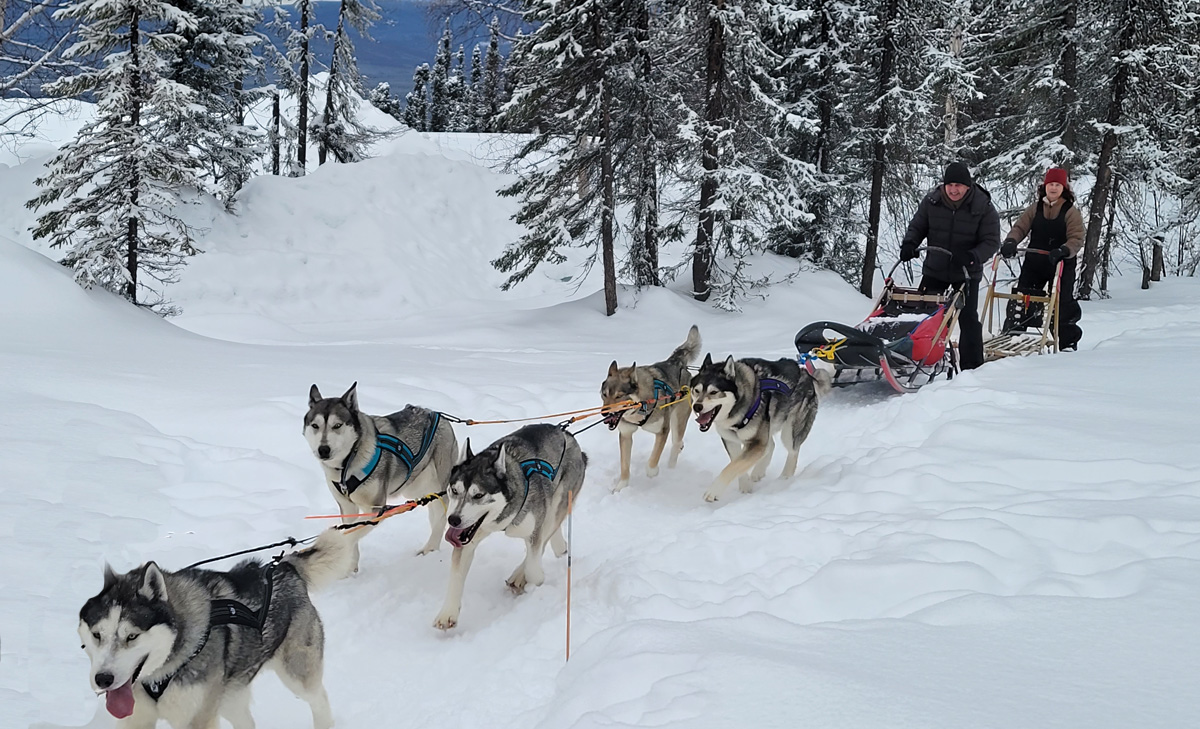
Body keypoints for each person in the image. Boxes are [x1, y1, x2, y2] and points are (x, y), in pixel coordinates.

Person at [899, 161, 1000, 370]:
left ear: (968, 186)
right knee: (925, 314)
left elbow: (991, 241)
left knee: (968, 317)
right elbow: (918, 226)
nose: (954, 190)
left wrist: (972, 256)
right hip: (935, 267)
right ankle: (920, 356)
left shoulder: (983, 206)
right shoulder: (932, 201)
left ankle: (972, 366)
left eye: (959, 185)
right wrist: (910, 244)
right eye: (950, 185)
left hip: (966, 272)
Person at [998, 167, 1085, 350]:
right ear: (1044, 186)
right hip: (1035, 261)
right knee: (1023, 297)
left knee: (1062, 302)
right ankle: (1013, 335)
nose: (1053, 188)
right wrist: (1011, 242)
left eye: (1057, 185)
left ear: (1064, 188)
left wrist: (1064, 250)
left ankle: (1067, 342)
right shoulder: (1035, 208)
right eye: (1050, 184)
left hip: (1061, 262)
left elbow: (1077, 237)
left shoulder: (1070, 211)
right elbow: (1020, 227)